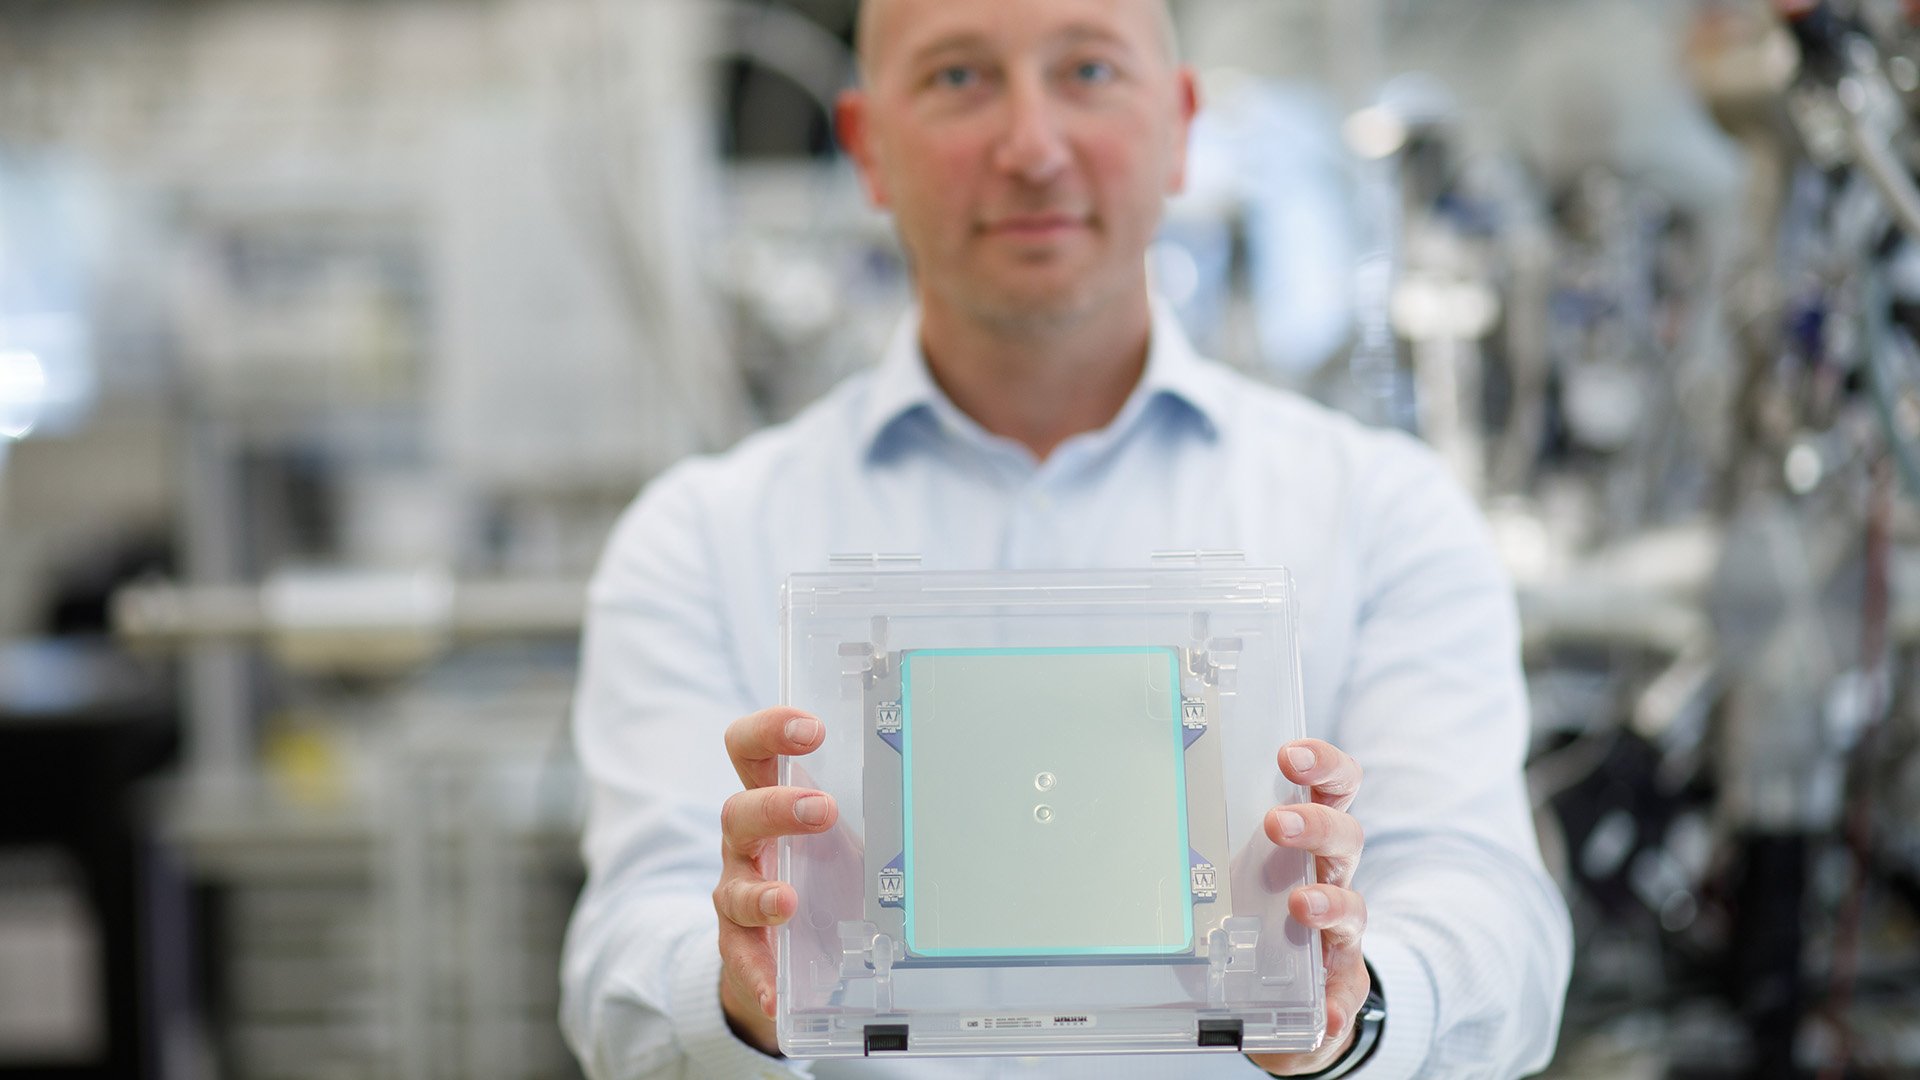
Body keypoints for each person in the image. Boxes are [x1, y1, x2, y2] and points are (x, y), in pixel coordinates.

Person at [560, 0, 1572, 1076]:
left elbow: (1492, 919)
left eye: (1087, 71)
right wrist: (735, 986)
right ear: (867, 147)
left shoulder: (1381, 516)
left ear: (1180, 126)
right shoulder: (701, 542)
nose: (1031, 148)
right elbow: (623, 958)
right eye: (958, 79)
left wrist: (1356, 1004)